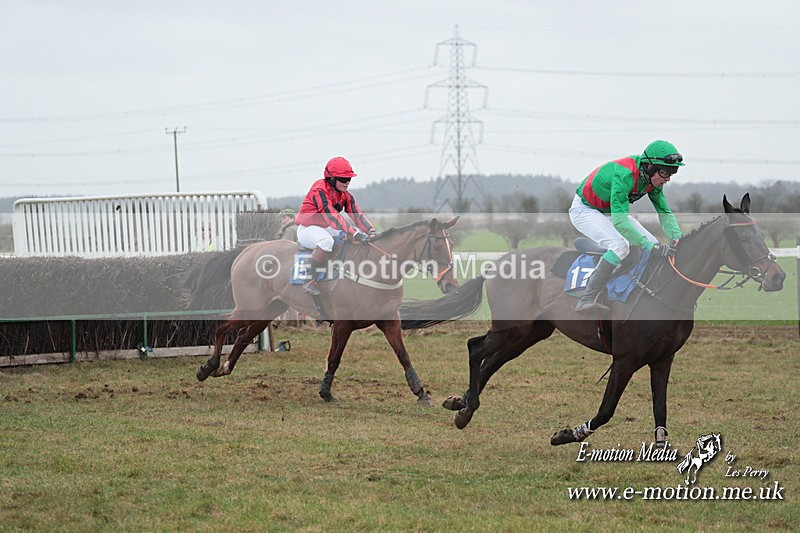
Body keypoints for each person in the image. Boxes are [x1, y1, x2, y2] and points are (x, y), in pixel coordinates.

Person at [569, 140, 684, 313]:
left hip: (608, 211)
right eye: (664, 173)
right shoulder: (625, 176)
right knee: (620, 245)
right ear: (649, 167)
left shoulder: (653, 181)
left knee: (652, 243)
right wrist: (651, 247)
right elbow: (620, 223)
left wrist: (678, 239)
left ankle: (621, 281)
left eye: (672, 173)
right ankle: (586, 299)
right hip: (585, 210)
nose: (667, 179)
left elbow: (664, 212)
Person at [295, 156, 377, 295]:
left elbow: (357, 215)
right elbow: (331, 215)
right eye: (344, 179)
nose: (347, 183)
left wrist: (372, 231)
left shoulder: (345, 195)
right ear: (331, 178)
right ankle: (309, 280)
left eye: (349, 179)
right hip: (308, 228)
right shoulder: (319, 189)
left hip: (326, 227)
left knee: (355, 236)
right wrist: (352, 232)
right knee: (326, 241)